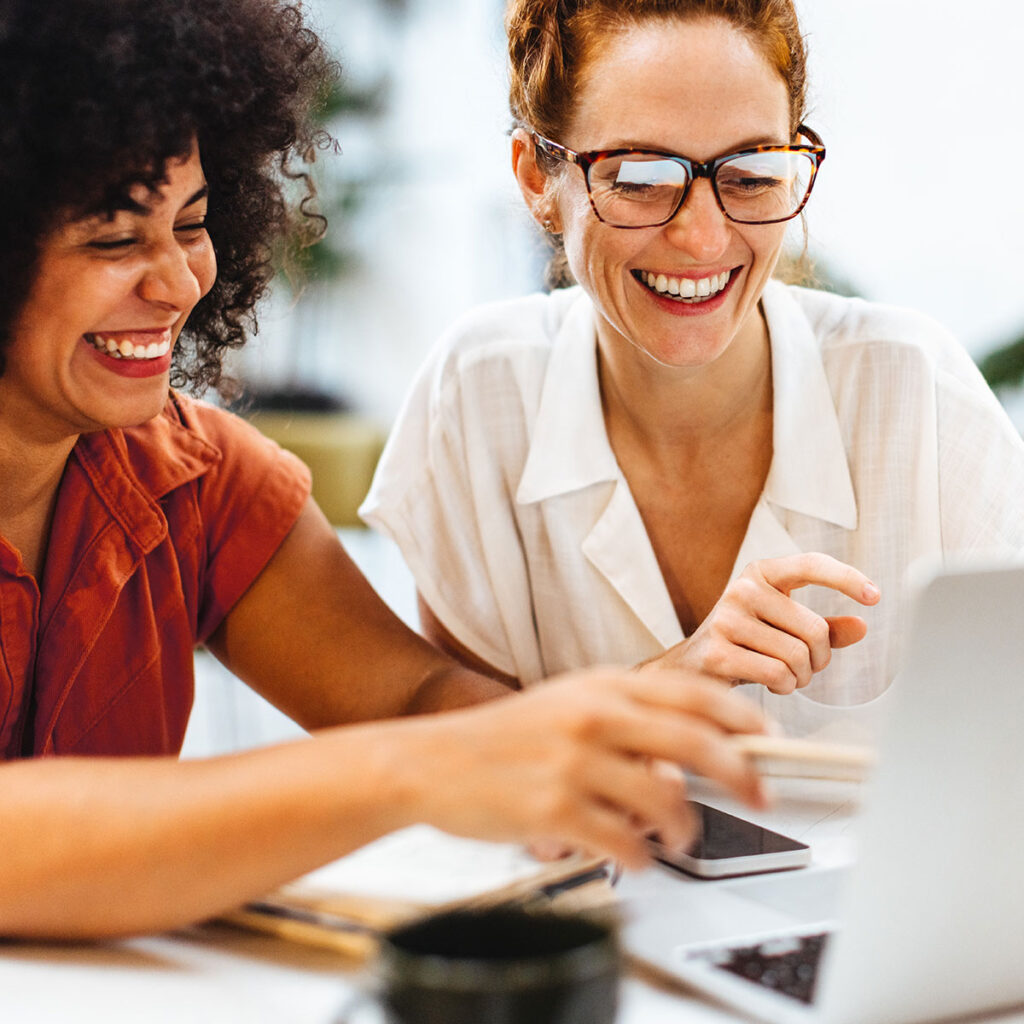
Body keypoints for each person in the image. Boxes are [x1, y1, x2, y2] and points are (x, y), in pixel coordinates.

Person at [0, 0, 773, 940]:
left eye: (194, 224)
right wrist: (415, 769)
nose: (177, 284)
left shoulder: (195, 479)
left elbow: (416, 701)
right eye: (114, 239)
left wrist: (617, 715)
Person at [361, 0, 1024, 743]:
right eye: (639, 177)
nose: (704, 239)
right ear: (535, 179)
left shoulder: (916, 392)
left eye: (750, 174)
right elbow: (465, 775)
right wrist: (665, 687)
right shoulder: (481, 394)